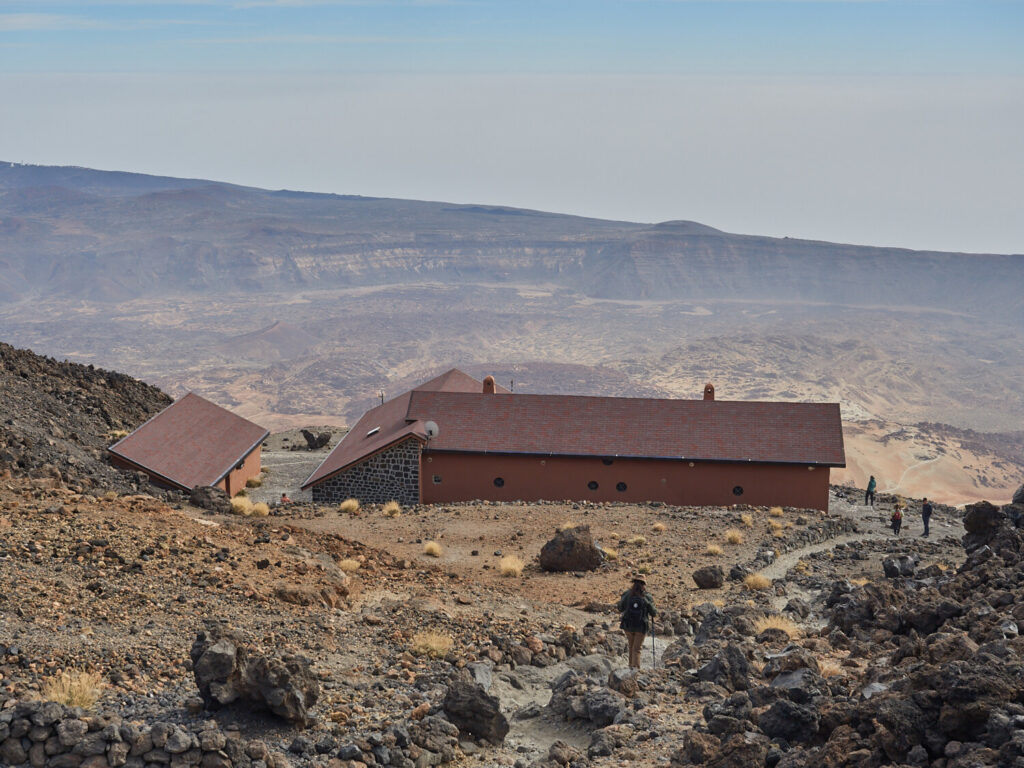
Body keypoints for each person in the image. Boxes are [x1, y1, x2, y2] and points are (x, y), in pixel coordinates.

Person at [618, 575, 657, 669]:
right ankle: (635, 670)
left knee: (631, 647)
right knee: (637, 649)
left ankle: (630, 668)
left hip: (628, 625)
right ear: (644, 584)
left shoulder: (627, 594)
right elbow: (654, 613)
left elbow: (620, 608)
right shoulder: (647, 596)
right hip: (641, 627)